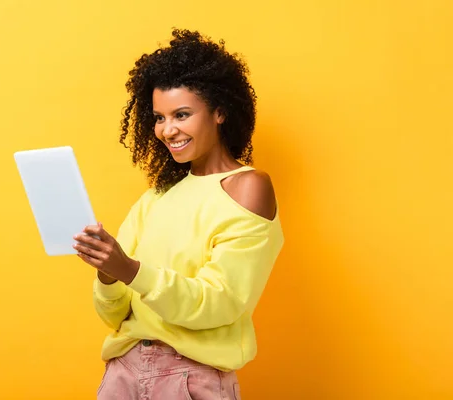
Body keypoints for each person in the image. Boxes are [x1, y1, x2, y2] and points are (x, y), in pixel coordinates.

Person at [73, 28, 284, 400]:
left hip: (189, 378)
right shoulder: (156, 197)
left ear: (220, 112)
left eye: (182, 115)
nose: (167, 130)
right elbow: (116, 316)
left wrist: (130, 270)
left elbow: (218, 303)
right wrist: (108, 274)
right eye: (159, 118)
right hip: (123, 372)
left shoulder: (248, 187)